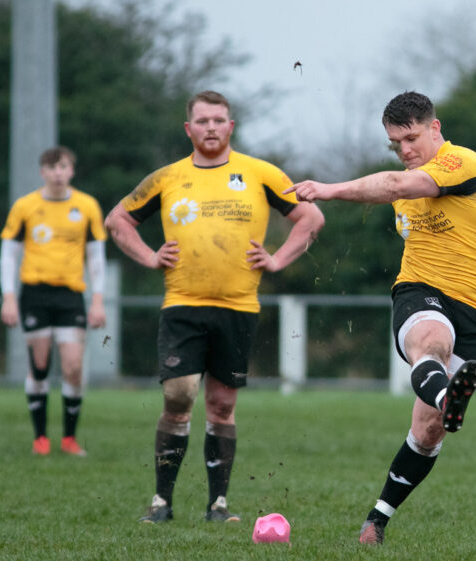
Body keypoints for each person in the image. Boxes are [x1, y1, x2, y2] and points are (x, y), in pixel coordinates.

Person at [286, 91, 476, 544]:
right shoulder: (408, 181)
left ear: (435, 128)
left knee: (428, 430)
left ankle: (377, 519)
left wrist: (329, 189)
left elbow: (397, 187)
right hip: (419, 290)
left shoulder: (462, 162)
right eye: (395, 143)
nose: (404, 149)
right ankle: (447, 395)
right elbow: (397, 186)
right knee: (431, 343)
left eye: (411, 138)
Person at [104, 90, 324, 524]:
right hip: (183, 304)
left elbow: (311, 218)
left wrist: (277, 259)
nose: (210, 128)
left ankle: (218, 506)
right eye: (202, 121)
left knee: (222, 404)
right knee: (179, 394)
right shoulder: (167, 177)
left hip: (238, 308)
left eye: (218, 120)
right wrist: (150, 256)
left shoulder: (259, 173)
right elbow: (118, 220)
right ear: (189, 129)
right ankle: (161, 502)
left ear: (230, 126)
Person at [0, 146, 108, 458]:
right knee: (40, 366)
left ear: (71, 170)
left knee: (73, 366)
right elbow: (9, 255)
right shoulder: (25, 206)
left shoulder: (86, 206)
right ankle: (40, 439)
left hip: (70, 295)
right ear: (42, 172)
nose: (58, 173)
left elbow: (96, 257)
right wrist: (9, 297)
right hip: (34, 293)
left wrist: (97, 300)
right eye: (52, 167)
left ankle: (69, 439)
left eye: (63, 167)